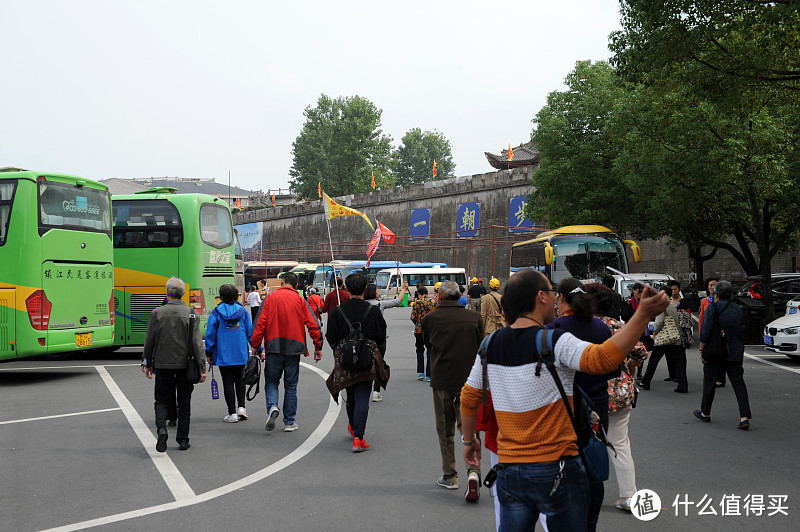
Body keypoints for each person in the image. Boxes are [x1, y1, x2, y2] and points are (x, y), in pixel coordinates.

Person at [459, 269, 668, 531]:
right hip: (558, 468)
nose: (556, 299)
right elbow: (603, 359)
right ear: (540, 298)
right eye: (550, 291)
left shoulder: (489, 345)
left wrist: (469, 441)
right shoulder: (554, 341)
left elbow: (469, 396)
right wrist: (642, 316)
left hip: (511, 470)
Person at [546, 278, 613, 532]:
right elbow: (611, 369)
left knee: (565, 466)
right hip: (597, 405)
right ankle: (590, 523)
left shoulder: (555, 328)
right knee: (593, 464)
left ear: (561, 298)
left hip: (566, 406)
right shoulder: (600, 327)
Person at [584, 282, 648, 513]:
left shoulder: (582, 327)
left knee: (583, 442)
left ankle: (582, 492)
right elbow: (640, 351)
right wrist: (629, 367)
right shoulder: (618, 326)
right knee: (620, 443)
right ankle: (628, 496)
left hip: (590, 393)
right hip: (620, 391)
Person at [422, 281, 484, 502]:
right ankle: (473, 472)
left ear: (439, 296)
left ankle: (450, 475)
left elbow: (428, 345)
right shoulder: (474, 318)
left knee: (445, 428)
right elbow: (480, 347)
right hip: (469, 381)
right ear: (460, 295)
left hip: (442, 380)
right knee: (469, 428)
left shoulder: (430, 319)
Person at [250, 272, 323, 433]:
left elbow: (260, 323)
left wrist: (255, 345)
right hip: (294, 347)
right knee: (290, 385)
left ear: (282, 282)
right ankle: (289, 421)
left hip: (273, 346)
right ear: (296, 285)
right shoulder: (300, 300)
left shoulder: (270, 298)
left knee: (271, 382)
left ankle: (272, 407)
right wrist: (318, 346)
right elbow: (313, 324)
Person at [325, 273, 389, 452]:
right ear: (364, 289)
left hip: (345, 359)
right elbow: (381, 335)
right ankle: (359, 438)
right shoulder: (373, 311)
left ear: (347, 287)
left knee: (350, 393)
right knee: (362, 395)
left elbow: (331, 336)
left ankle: (353, 427)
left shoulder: (338, 310)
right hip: (366, 359)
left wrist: (340, 350)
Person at [143, 277, 206, 452]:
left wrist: (146, 362)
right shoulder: (192, 314)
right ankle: (183, 439)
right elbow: (197, 343)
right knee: (184, 402)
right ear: (183, 294)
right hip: (185, 366)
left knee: (161, 400)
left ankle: (162, 429)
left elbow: (150, 341)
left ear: (167, 293)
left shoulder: (157, 313)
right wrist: (202, 367)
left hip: (163, 365)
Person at [695, 280, 752, 429]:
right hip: (734, 350)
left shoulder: (712, 308)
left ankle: (705, 413)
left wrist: (701, 349)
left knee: (709, 381)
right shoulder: (738, 309)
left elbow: (706, 330)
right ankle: (744, 416)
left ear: (717, 293)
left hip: (715, 351)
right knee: (738, 383)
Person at [205, 284, 252, 423]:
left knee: (227, 382)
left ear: (221, 297)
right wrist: (258, 348)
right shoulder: (242, 311)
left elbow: (210, 335)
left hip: (224, 353)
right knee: (240, 380)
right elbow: (250, 332)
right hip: (241, 352)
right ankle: (242, 408)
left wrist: (209, 352)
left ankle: (232, 413)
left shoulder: (216, 312)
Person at [365, 281, 409, 401]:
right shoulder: (380, 304)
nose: (378, 293)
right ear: (373, 293)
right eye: (377, 291)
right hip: (380, 339)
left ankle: (364, 389)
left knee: (366, 364)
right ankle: (376, 391)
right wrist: (403, 289)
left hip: (365, 339)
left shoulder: (360, 305)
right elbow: (397, 301)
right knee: (379, 363)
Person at [639, 289, 688, 393]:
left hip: (663, 338)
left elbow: (659, 323)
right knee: (678, 362)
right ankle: (683, 385)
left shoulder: (662, 307)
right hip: (674, 337)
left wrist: (655, 332)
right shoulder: (672, 307)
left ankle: (645, 381)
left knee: (653, 360)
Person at [697, 277, 725, 387]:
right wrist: (701, 333)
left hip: (719, 332)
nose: (713, 287)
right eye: (710, 285)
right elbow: (701, 318)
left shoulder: (722, 301)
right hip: (708, 332)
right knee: (708, 356)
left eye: (715, 285)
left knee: (720, 356)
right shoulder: (705, 301)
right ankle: (711, 378)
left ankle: (720, 378)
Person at [410, 285, 436, 381]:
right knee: (430, 351)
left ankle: (421, 372)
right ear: (427, 293)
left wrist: (418, 324)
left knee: (419, 350)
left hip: (419, 330)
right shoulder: (433, 303)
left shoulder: (417, 303)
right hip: (431, 330)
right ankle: (429, 374)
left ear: (419, 294)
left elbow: (413, 317)